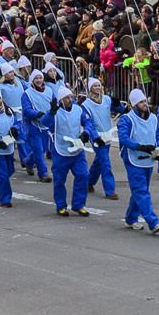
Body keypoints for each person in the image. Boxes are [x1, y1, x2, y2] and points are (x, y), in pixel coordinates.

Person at [115, 89, 159, 235]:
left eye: (145, 101)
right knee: (141, 191)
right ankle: (153, 221)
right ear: (134, 104)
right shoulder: (127, 119)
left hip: (149, 158)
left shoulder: (153, 118)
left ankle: (131, 218)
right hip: (133, 159)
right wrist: (141, 147)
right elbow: (124, 138)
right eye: (141, 102)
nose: (145, 104)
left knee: (141, 190)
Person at [49, 81, 92, 217]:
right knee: (60, 179)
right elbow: (46, 124)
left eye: (71, 97)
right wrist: (50, 113)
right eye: (67, 98)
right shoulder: (55, 111)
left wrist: (86, 133)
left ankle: (78, 204)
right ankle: (61, 205)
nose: (70, 99)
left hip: (77, 149)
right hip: (61, 150)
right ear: (61, 99)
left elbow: (88, 123)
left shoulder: (78, 109)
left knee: (83, 175)